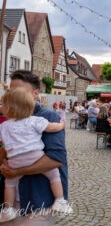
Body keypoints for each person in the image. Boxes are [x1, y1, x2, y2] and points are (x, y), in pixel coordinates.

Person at [0, 70, 69, 215]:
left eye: (19, 91)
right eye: (11, 91)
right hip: (11, 198)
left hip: (38, 200)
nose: (14, 96)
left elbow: (56, 159)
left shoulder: (48, 116)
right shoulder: (7, 120)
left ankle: (60, 200)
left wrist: (15, 171)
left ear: (35, 93)